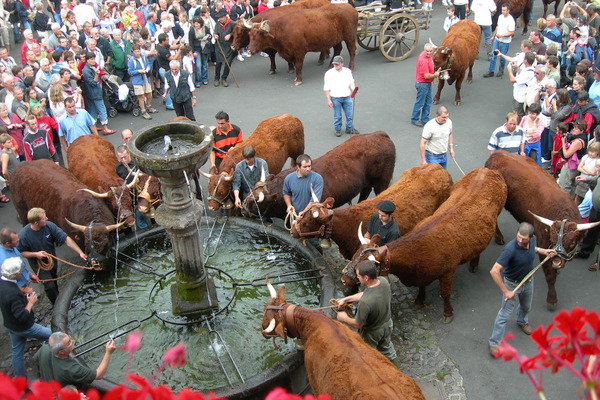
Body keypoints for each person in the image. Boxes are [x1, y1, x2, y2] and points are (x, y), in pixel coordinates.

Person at [488, 223, 555, 357]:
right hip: (512, 285)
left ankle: (522, 321)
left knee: (526, 307)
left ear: (531, 237)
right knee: (504, 314)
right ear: (517, 232)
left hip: (528, 281)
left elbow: (532, 249)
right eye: (518, 237)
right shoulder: (510, 250)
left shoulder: (532, 241)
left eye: (523, 239)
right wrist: (506, 291)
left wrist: (543, 251)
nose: (520, 240)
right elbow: (494, 271)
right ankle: (494, 343)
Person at [18, 207, 87, 305]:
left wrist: (80, 252)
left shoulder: (49, 226)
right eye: (43, 218)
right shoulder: (23, 235)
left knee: (54, 278)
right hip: (39, 264)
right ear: (36, 223)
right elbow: (20, 252)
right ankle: (56, 304)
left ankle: (58, 297)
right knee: (49, 285)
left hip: (51, 259)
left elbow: (65, 239)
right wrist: (35, 254)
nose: (46, 218)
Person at [335, 260, 397, 361]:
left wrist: (344, 318)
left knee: (366, 353)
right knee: (386, 347)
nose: (357, 278)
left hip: (373, 333)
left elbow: (358, 324)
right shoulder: (383, 281)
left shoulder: (365, 303)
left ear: (366, 277)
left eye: (358, 276)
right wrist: (347, 299)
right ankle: (391, 360)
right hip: (387, 324)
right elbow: (366, 294)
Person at [0, 257, 51, 377]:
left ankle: (20, 379)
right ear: (15, 275)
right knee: (52, 335)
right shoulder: (13, 294)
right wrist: (31, 302)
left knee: (17, 352)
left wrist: (22, 290)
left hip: (10, 325)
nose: (22, 271)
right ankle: (45, 358)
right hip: (24, 327)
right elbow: (22, 317)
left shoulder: (3, 282)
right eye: (21, 271)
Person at [36, 331, 116, 389]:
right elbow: (98, 375)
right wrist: (108, 353)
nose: (73, 341)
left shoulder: (44, 349)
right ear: (61, 351)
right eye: (69, 342)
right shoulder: (72, 369)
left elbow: (34, 362)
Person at [82, 52, 117, 136]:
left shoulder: (92, 67)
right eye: (91, 59)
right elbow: (92, 83)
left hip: (92, 93)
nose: (93, 60)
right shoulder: (86, 70)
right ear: (87, 60)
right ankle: (105, 128)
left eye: (94, 58)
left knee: (93, 110)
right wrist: (97, 75)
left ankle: (93, 127)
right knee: (102, 109)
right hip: (94, 93)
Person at [323, 55, 359, 137]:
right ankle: (338, 129)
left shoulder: (347, 71)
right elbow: (326, 88)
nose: (335, 66)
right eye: (334, 64)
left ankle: (349, 128)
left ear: (342, 63)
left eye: (337, 64)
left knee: (350, 115)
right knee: (337, 116)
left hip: (347, 96)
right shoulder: (329, 74)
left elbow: (351, 82)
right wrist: (328, 100)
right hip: (335, 97)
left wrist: (353, 90)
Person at [282, 154, 324, 220]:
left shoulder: (317, 178)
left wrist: (304, 212)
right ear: (298, 167)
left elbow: (314, 201)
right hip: (295, 215)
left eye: (309, 166)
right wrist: (289, 205)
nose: (308, 169)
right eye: (305, 167)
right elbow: (286, 193)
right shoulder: (289, 178)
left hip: (311, 215)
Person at [410, 43, 440, 127]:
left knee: (428, 102)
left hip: (426, 84)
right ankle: (414, 119)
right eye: (427, 51)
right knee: (420, 103)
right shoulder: (423, 61)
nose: (429, 53)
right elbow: (426, 76)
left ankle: (425, 119)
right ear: (424, 50)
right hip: (423, 84)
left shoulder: (427, 56)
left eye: (431, 51)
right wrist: (436, 75)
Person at [0, 228, 37, 293]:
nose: (18, 240)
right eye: (15, 240)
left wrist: (30, 274)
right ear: (7, 243)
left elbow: (22, 263)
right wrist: (23, 290)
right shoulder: (3, 261)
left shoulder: (13, 247)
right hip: (17, 288)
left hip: (23, 281)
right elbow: (6, 282)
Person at [483, 4, 515, 78]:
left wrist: (502, 35)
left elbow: (512, 32)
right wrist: (493, 36)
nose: (502, 11)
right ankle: (491, 71)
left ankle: (501, 70)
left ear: (508, 11)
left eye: (504, 10)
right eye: (502, 10)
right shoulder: (500, 17)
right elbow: (498, 26)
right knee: (493, 55)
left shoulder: (511, 20)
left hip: (505, 42)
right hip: (497, 40)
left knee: (502, 56)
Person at [127, 44, 157, 120]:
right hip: (137, 80)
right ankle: (143, 111)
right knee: (141, 97)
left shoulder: (143, 57)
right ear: (133, 52)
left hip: (145, 78)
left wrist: (147, 69)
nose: (137, 53)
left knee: (149, 94)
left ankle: (148, 107)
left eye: (138, 51)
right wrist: (138, 71)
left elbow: (148, 65)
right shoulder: (131, 60)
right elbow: (130, 72)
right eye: (135, 51)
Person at [507, 52, 536, 119]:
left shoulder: (528, 73)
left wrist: (509, 70)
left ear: (525, 60)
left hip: (521, 98)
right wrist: (516, 67)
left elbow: (512, 80)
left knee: (519, 115)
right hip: (517, 94)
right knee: (515, 112)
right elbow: (521, 73)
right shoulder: (528, 69)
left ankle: (517, 126)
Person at [213, 8, 234, 87]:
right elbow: (215, 32)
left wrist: (230, 35)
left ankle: (224, 78)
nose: (220, 19)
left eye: (221, 17)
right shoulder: (217, 24)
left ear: (225, 16)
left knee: (228, 63)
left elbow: (236, 32)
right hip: (219, 46)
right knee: (218, 63)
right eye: (219, 17)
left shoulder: (231, 23)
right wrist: (215, 35)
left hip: (228, 46)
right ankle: (216, 78)